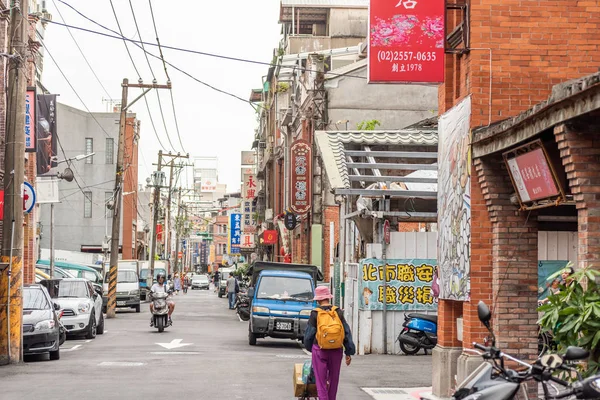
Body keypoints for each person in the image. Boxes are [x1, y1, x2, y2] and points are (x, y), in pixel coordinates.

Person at [304, 286, 356, 400]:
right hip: (336, 350)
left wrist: (310, 348)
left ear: (318, 299)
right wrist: (349, 352)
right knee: (333, 380)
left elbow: (309, 336)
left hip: (320, 349)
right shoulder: (337, 312)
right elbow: (346, 332)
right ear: (328, 297)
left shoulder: (315, 313)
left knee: (321, 382)